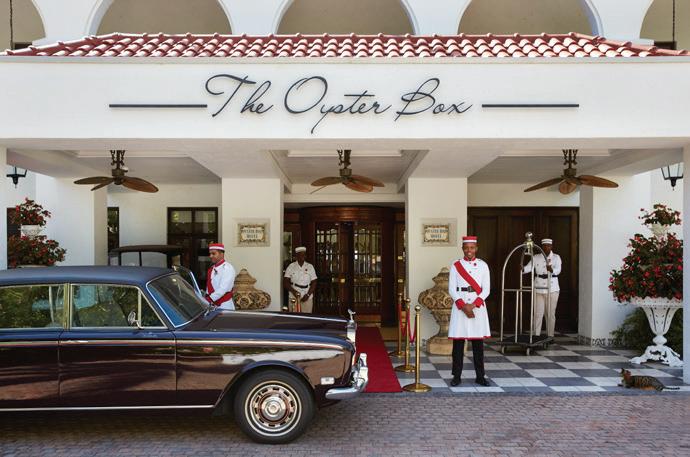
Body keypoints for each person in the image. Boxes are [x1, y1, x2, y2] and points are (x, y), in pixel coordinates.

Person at [448, 236, 491, 387]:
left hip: (477, 307)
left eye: (472, 248)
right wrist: (463, 305)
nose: (469, 251)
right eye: (466, 248)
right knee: (458, 345)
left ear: (476, 248)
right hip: (460, 306)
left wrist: (472, 305)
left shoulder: (483, 265)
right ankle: (456, 376)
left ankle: (480, 376)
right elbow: (451, 289)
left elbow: (486, 289)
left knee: (478, 345)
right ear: (462, 249)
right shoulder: (456, 265)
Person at [523, 238, 561, 337]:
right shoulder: (536, 257)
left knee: (550, 314)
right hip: (538, 287)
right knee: (538, 313)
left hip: (552, 288)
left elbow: (558, 270)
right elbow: (529, 267)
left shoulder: (556, 257)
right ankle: (536, 335)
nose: (546, 247)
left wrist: (551, 270)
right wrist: (523, 269)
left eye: (548, 245)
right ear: (542, 247)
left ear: (551, 246)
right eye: (544, 246)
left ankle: (550, 336)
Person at [283, 246, 318, 313]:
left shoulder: (310, 267)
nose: (302, 256)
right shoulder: (291, 266)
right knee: (294, 317)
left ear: (305, 256)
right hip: (293, 296)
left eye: (304, 255)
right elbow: (285, 282)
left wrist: (308, 295)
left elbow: (314, 282)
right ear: (296, 256)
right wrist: (294, 292)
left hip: (307, 295)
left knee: (306, 317)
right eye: (300, 255)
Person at [205, 242, 236, 310]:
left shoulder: (228, 268)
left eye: (213, 253)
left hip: (224, 305)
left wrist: (208, 299)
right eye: (210, 254)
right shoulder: (211, 268)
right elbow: (209, 288)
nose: (210, 256)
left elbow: (223, 289)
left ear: (221, 254)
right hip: (212, 305)